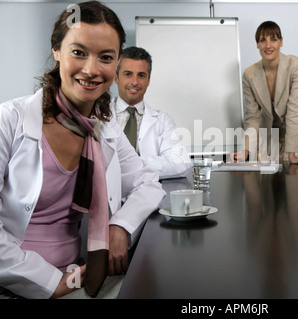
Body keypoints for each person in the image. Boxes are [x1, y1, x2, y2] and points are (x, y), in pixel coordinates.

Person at [0, 1, 165, 299]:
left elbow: (148, 183)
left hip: (79, 274)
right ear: (56, 50)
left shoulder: (104, 127)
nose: (91, 70)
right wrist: (51, 282)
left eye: (105, 57)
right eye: (78, 52)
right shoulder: (9, 121)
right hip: (16, 284)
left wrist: (120, 225)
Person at [232, 21, 298, 164]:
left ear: (281, 42)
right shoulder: (249, 74)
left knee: (296, 183)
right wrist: (246, 151)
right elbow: (253, 117)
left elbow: (295, 111)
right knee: (264, 184)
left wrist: (292, 154)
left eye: (273, 39)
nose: (268, 45)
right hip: (268, 136)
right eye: (263, 40)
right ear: (257, 44)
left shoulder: (296, 66)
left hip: (296, 135)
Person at [113, 46, 192, 179]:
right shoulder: (97, 116)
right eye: (128, 74)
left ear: (148, 81)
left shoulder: (163, 121)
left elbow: (181, 163)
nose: (135, 82)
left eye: (141, 75)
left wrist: (130, 163)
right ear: (116, 78)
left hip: (146, 195)